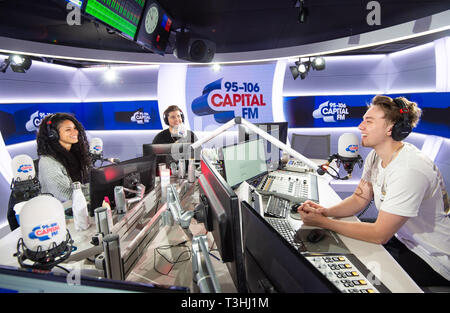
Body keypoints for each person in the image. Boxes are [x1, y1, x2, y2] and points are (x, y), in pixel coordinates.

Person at [298, 95, 450, 288]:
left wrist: (323, 223)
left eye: (368, 122)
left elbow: (380, 234)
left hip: (432, 259)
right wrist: (324, 211)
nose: (360, 127)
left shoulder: (410, 169)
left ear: (391, 128)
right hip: (402, 240)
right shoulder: (375, 156)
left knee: (357, 274)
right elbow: (359, 199)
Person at [37, 113, 91, 203]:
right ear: (53, 134)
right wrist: (94, 188)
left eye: (75, 128)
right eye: (68, 130)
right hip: (60, 211)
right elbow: (64, 193)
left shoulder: (75, 154)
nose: (75, 132)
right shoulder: (47, 161)